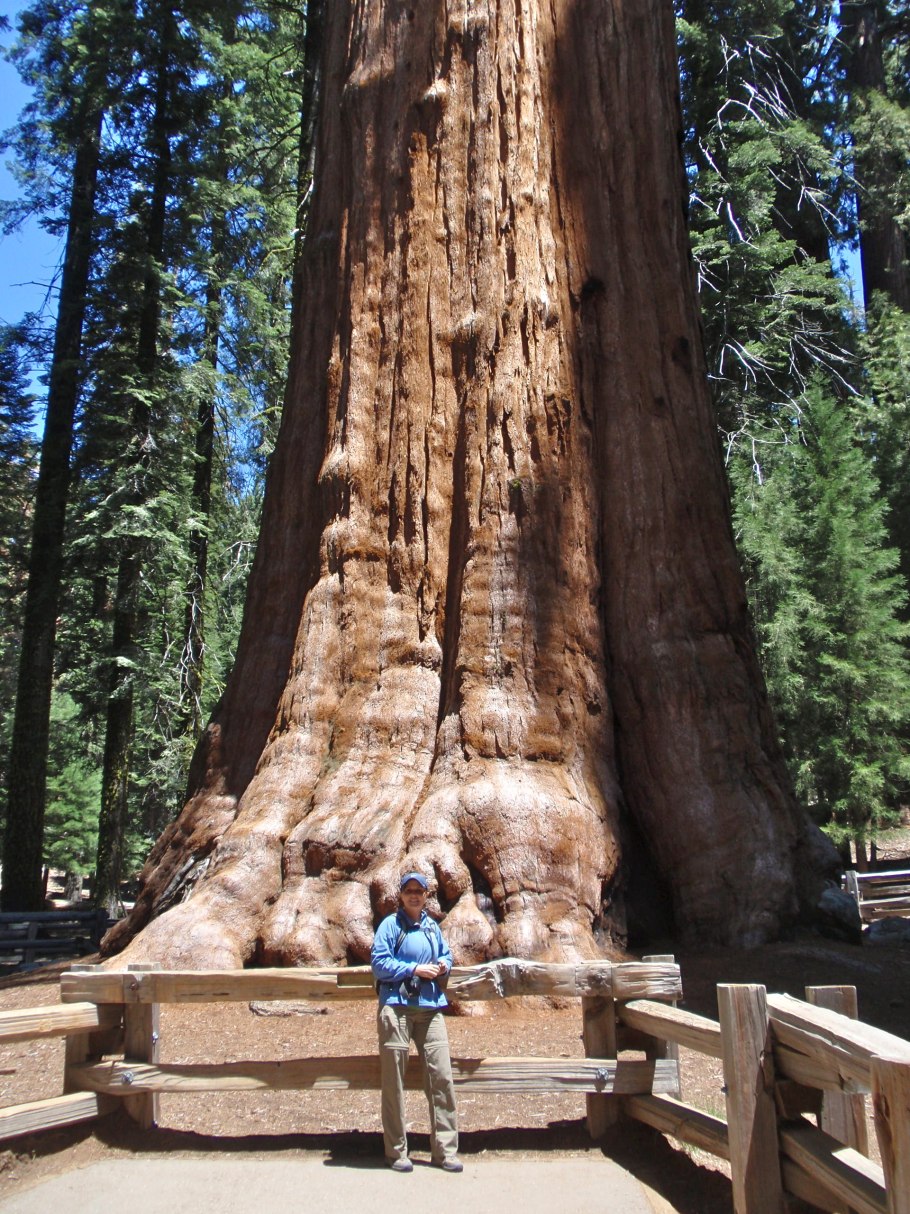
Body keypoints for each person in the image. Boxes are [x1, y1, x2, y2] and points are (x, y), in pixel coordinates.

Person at [370, 870, 462, 1173]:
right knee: (394, 1081)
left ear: (426, 896)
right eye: (408, 890)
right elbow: (379, 963)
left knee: (442, 1077)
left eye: (419, 891)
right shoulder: (390, 926)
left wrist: (443, 964)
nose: (414, 895)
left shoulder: (432, 928)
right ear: (401, 895)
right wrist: (413, 970)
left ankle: (445, 1152)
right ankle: (396, 1152)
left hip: (430, 1008)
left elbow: (447, 955)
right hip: (396, 1008)